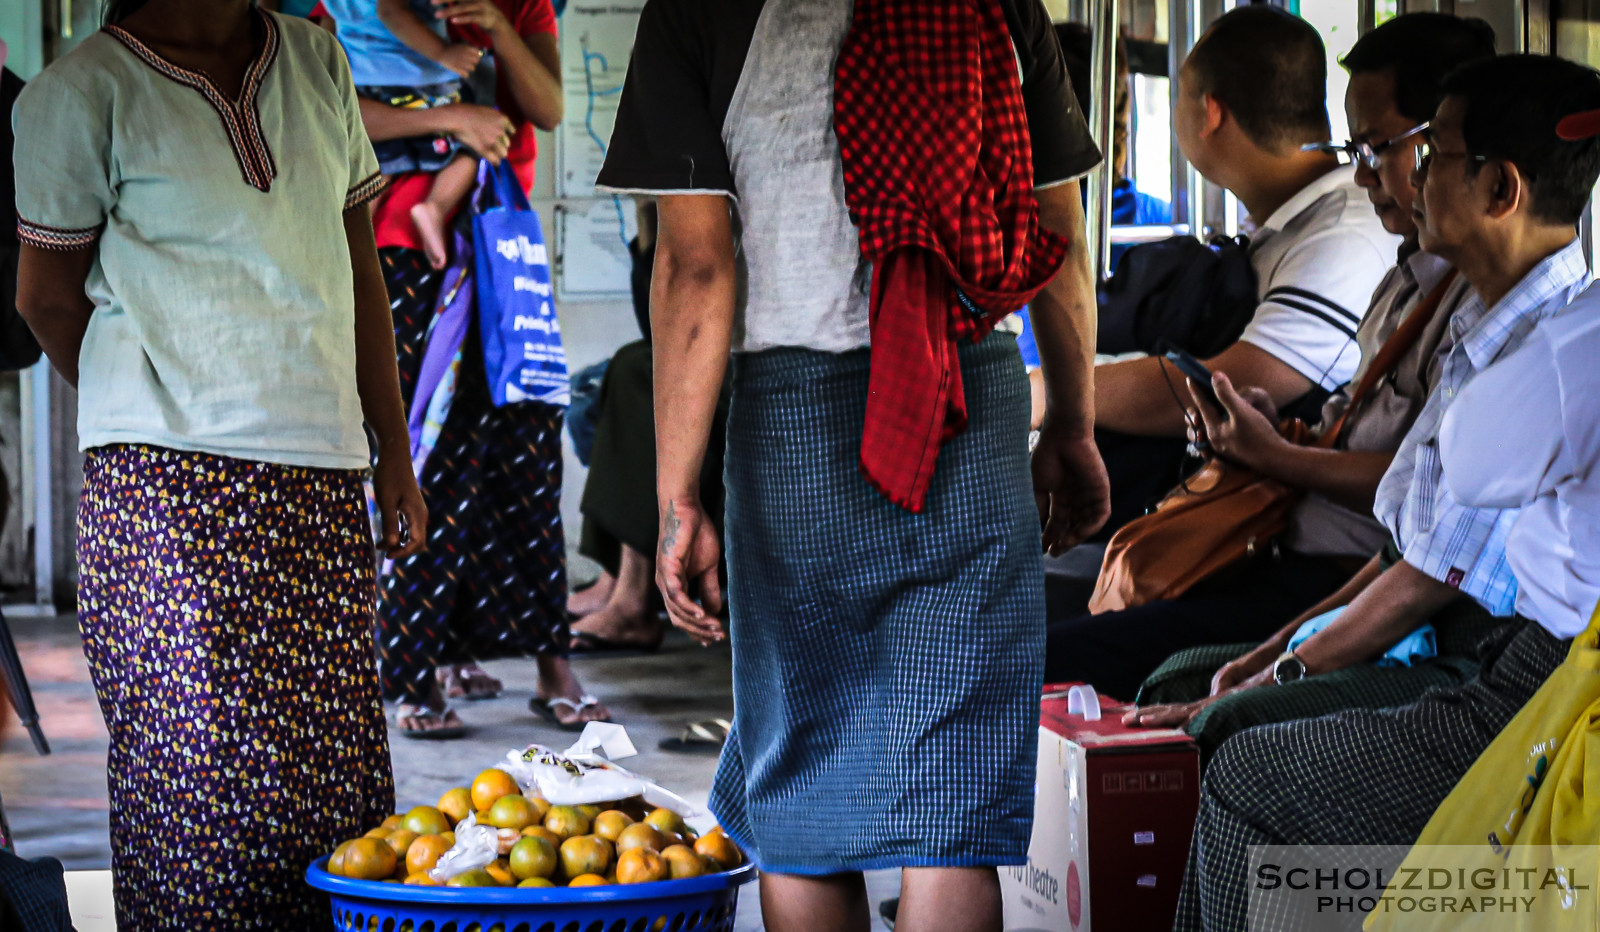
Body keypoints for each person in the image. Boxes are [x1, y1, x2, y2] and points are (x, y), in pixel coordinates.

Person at [595, 0, 1108, 928]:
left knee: (803, 778)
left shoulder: (697, 14)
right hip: (970, 396)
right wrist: (1072, 423)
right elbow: (1057, 232)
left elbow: (697, 268)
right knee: (952, 793)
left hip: (797, 417)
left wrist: (677, 497)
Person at [12, 0, 426, 925]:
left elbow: (360, 270)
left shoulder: (316, 62)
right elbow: (44, 299)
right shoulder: (79, 92)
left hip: (317, 476)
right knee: (198, 785)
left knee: (330, 787)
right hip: (167, 492)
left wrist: (391, 452)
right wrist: (151, 393)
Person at [1173, 54, 1600, 932]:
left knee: (1243, 763)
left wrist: (1282, 666)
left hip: (1519, 667)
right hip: (1490, 650)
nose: (1400, 179)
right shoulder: (1477, 320)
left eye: (1432, 154)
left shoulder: (1552, 349)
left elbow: (1433, 571)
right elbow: (1405, 544)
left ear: (1499, 189)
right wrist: (1277, 650)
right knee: (1205, 691)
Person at [1042, 13, 1496, 708]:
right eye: (1356, 149)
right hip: (1296, 556)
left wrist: (1281, 661)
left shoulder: (1472, 304)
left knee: (1050, 660)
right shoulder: (1407, 274)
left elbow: (1421, 520)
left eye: (1379, 149)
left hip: (1326, 570)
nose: (1364, 174)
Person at [331, 0, 614, 736]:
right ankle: (415, 671)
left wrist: (497, 28)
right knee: (426, 459)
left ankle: (551, 661)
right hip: (402, 253)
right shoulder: (356, 10)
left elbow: (547, 108)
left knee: (527, 452)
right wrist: (451, 122)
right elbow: (336, 114)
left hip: (501, 242)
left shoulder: (520, 8)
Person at [1088, 6, 1400, 542]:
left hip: (1302, 547)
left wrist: (1053, 393)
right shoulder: (1290, 225)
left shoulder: (1347, 232)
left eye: (1181, 93)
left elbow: (1236, 383)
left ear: (1210, 112)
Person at [319, 0, 488, 270]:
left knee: (377, 163)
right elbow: (391, 10)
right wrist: (443, 52)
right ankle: (435, 207)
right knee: (471, 146)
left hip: (362, 81)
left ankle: (352, 241)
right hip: (421, 76)